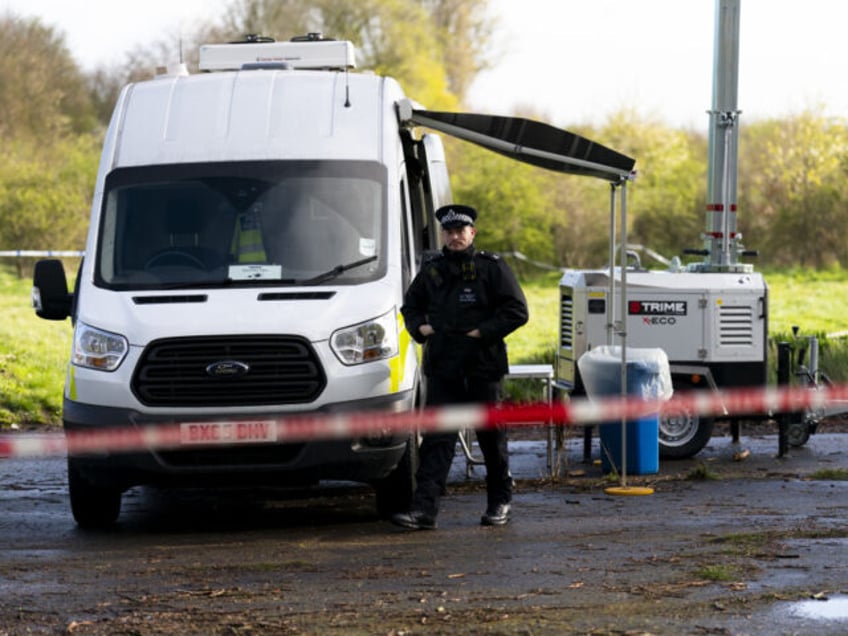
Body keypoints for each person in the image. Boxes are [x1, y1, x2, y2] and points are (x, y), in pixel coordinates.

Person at [392, 204, 529, 530]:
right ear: (444, 234)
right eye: (449, 231)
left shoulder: (492, 268)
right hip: (443, 369)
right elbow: (410, 307)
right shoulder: (432, 271)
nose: (454, 237)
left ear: (472, 233)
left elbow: (517, 311)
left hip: (482, 367)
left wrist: (482, 332)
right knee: (437, 441)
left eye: (460, 231)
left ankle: (500, 502)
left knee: (490, 438)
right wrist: (420, 328)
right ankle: (424, 511)